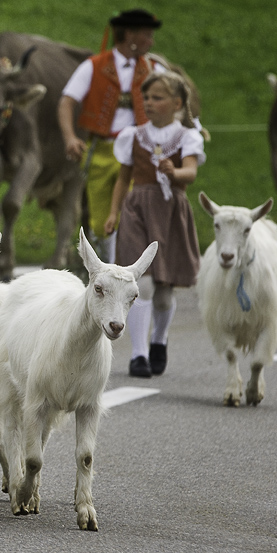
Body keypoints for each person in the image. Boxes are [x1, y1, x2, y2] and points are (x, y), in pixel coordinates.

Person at [103, 71, 204, 378]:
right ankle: (139, 355)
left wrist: (174, 172)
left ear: (176, 103)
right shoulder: (133, 135)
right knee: (141, 283)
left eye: (157, 98)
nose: (149, 103)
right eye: (146, 97)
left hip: (171, 211)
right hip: (137, 211)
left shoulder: (188, 136)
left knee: (163, 289)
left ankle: (159, 340)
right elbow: (123, 178)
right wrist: (113, 213)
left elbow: (191, 173)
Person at [59, 8, 167, 263]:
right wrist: (70, 138)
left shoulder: (154, 70)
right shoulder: (94, 66)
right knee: (98, 219)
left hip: (138, 149)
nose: (151, 42)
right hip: (102, 148)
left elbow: (176, 101)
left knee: (129, 211)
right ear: (129, 34)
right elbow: (66, 101)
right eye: (146, 36)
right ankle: (105, 264)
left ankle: (125, 267)